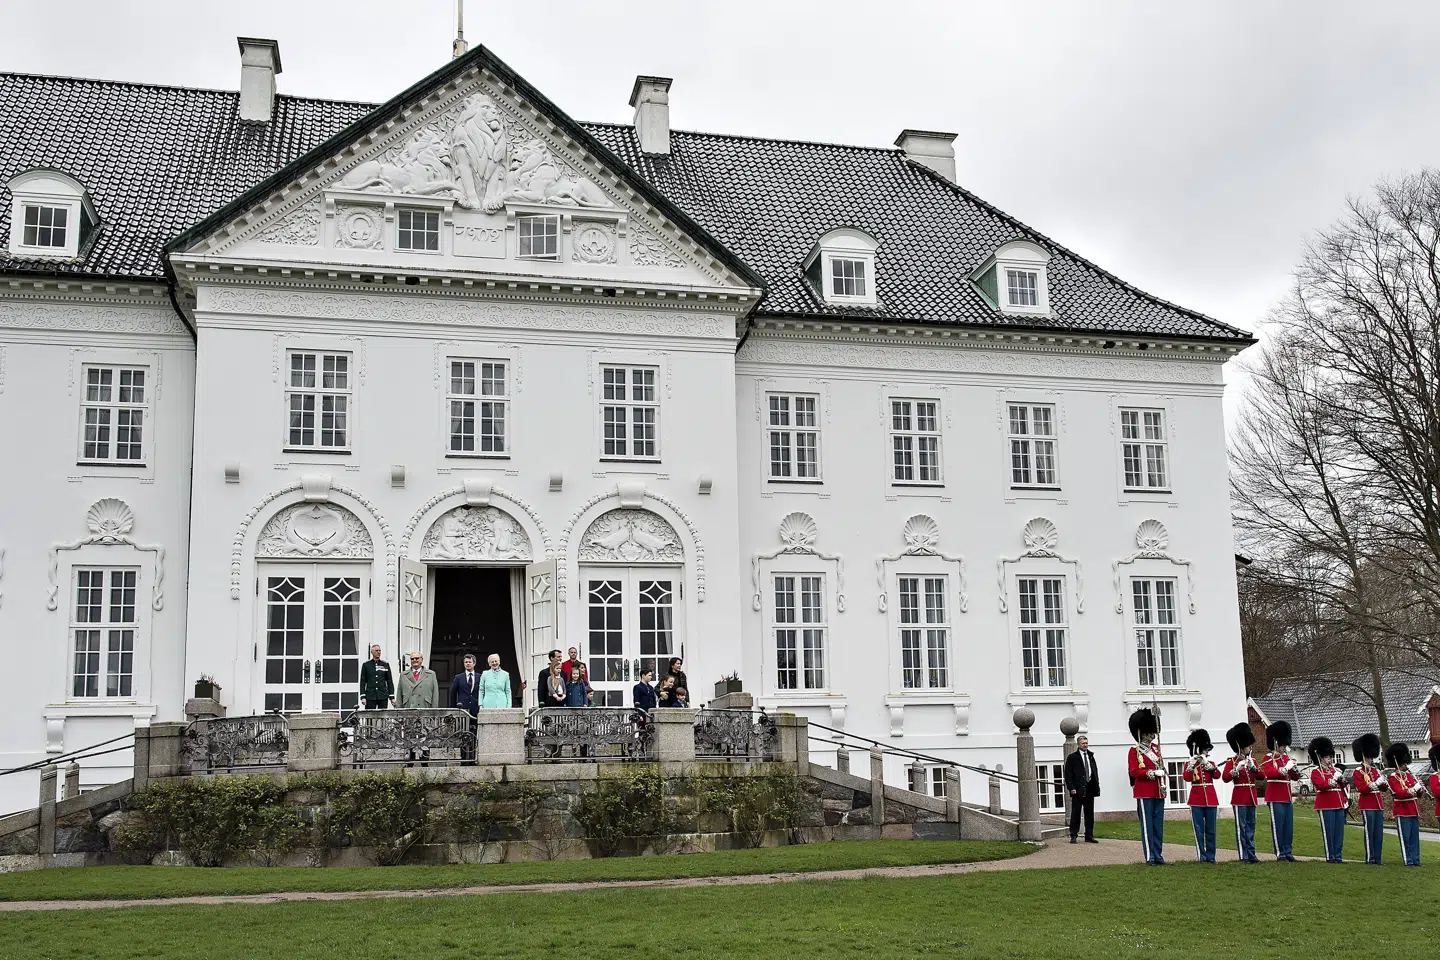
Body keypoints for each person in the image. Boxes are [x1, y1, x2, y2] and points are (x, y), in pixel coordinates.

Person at [1127, 707, 1165, 865]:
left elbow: (1161, 767)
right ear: (1141, 732)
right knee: (1147, 826)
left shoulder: (1157, 749)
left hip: (1158, 791)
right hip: (1144, 792)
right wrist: (1151, 774)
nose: (1152, 734)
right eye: (1149, 731)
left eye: (1152, 731)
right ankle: (1150, 856)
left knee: (1158, 826)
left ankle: (1158, 855)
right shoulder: (1134, 751)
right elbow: (1134, 771)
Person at [1259, 720, 1301, 862]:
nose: (1284, 747)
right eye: (1283, 744)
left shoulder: (1286, 758)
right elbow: (1270, 773)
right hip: (1275, 796)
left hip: (1287, 796)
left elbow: (1294, 777)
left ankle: (1288, 851)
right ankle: (1280, 853)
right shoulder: (1269, 757)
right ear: (1277, 742)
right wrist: (1285, 768)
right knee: (1278, 826)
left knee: (1288, 827)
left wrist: (1294, 769)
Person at [1222, 722, 1262, 863]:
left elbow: (1262, 776)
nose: (1250, 748)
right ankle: (1243, 855)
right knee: (1242, 828)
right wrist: (1236, 770)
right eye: (1248, 745)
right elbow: (1225, 777)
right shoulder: (1232, 762)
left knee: (1251, 827)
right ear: (1240, 746)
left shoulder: (1252, 761)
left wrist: (1254, 768)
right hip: (1239, 797)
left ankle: (1251, 853)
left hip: (1251, 798)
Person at [1307, 736, 1347, 863]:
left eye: (1330, 757)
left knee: (1339, 832)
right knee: (1329, 832)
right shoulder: (1316, 771)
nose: (1329, 760)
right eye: (1327, 757)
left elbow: (1342, 786)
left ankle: (1338, 855)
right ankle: (1331, 856)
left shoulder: (1333, 770)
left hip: (1338, 804)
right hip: (1326, 804)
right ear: (1320, 758)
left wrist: (1342, 780)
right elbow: (1321, 786)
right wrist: (1333, 780)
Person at [1183, 728, 1220, 863]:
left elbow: (1217, 775)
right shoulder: (1190, 764)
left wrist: (1208, 764)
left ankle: (1211, 856)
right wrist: (1192, 765)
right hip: (1196, 800)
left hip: (1210, 799)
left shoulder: (1210, 764)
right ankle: (1202, 855)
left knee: (1211, 830)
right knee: (1199, 830)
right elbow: (1187, 778)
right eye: (1205, 749)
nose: (1207, 751)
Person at [1351, 733, 1388, 865]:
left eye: (1371, 757)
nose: (1371, 759)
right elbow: (1363, 789)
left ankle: (1377, 858)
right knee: (1369, 833)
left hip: (1378, 804)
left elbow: (1384, 789)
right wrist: (1376, 783)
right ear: (1363, 756)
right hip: (1367, 804)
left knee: (1378, 834)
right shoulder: (1358, 771)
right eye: (1369, 757)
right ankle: (1370, 858)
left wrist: (1384, 783)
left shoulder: (1375, 771)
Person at [1385, 742, 1424, 867]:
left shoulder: (1409, 776)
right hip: (1402, 811)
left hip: (1413, 809)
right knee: (1405, 838)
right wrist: (1413, 789)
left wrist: (1420, 789)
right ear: (1398, 763)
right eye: (1404, 763)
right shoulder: (1393, 777)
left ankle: (1416, 859)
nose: (1406, 765)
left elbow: (1419, 794)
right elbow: (1399, 793)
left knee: (1414, 838)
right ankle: (1408, 860)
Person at [1063, 734, 1100, 844]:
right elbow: (1068, 774)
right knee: (1076, 813)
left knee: (1089, 814)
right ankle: (1073, 835)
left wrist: (1096, 785)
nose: (1085, 745)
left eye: (1086, 743)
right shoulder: (1073, 757)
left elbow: (1094, 771)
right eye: (1083, 743)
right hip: (1078, 789)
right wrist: (1071, 788)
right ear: (1078, 744)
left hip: (1089, 788)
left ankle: (1089, 835)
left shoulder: (1090, 756)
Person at [359, 644, 394, 710]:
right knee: (370, 717)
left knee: (383, 716)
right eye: (376, 650)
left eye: (379, 650)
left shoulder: (385, 664)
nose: (378, 652)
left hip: (383, 695)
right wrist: (363, 696)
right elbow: (363, 682)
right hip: (370, 695)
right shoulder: (366, 665)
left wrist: (391, 696)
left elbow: (389, 681)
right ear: (372, 652)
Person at [449, 653, 482, 717]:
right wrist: (453, 709)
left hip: (476, 708)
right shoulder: (458, 677)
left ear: (474, 663)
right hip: (462, 709)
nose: (468, 664)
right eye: (466, 662)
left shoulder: (480, 677)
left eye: (470, 662)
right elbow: (453, 694)